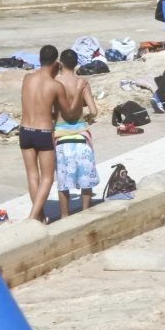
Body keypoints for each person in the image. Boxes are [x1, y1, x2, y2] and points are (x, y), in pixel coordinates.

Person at [19, 45, 84, 223]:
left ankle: (39, 217)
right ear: (56, 63)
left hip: (25, 131)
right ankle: (32, 217)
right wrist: (78, 91)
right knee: (47, 177)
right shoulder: (55, 86)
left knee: (32, 175)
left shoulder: (27, 78)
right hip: (44, 132)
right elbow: (69, 113)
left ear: (39, 60)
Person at [54, 49, 99, 218]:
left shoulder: (55, 83)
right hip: (81, 134)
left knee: (64, 182)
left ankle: (65, 215)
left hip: (61, 136)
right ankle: (85, 211)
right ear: (76, 63)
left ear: (61, 63)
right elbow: (94, 111)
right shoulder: (82, 82)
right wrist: (86, 116)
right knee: (86, 179)